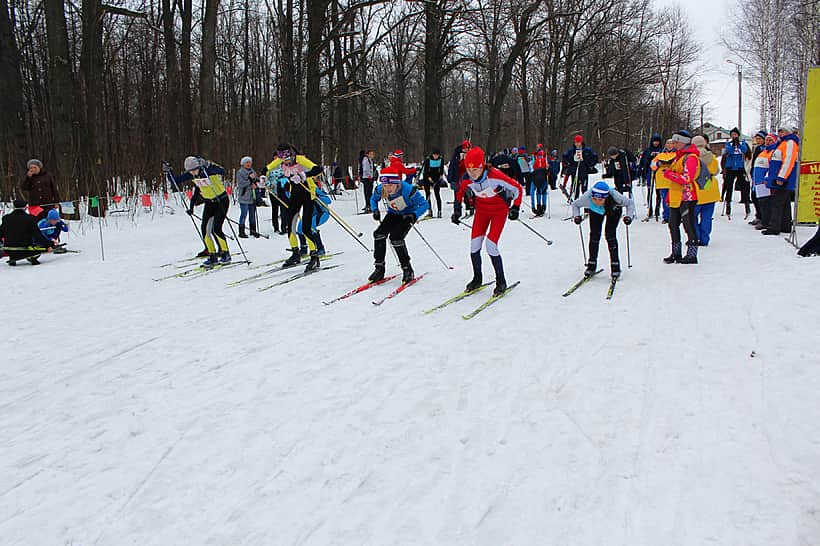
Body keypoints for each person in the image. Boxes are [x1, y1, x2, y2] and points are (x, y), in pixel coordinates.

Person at [451, 146, 523, 296]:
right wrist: (457, 210)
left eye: (475, 170)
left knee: (491, 245)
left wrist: (515, 207)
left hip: (499, 211)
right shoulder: (466, 178)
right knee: (474, 246)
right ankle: (477, 278)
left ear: (482, 166)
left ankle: (501, 281)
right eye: (468, 170)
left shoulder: (495, 175)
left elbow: (517, 188)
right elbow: (459, 193)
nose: (472, 174)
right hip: (482, 212)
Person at [164, 156, 232, 267]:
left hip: (221, 200)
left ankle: (225, 253)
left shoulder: (208, 170)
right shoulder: (193, 175)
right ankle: (212, 255)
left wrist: (210, 166)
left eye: (194, 170)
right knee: (204, 229)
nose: (193, 173)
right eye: (190, 171)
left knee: (216, 228)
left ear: (199, 167)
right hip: (209, 203)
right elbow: (175, 181)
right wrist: (169, 171)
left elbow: (222, 171)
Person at [266, 144, 324, 270]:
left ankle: (314, 256)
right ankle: (295, 253)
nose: (285, 161)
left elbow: (318, 169)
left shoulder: (300, 159)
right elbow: (267, 168)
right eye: (282, 158)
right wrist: (262, 177)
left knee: (306, 227)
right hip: (295, 195)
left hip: (308, 193)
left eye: (287, 157)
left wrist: (304, 175)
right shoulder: (280, 161)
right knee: (290, 225)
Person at [368, 166, 429, 284]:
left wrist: (414, 215)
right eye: (385, 185)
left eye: (390, 185)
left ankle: (407, 269)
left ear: (397, 183)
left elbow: (424, 205)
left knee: (396, 237)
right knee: (379, 234)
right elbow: (373, 199)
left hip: (407, 215)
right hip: (393, 214)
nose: (388, 189)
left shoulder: (408, 190)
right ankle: (379, 268)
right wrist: (375, 210)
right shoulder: (381, 189)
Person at [571, 181, 635, 279]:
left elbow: (630, 203)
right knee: (594, 235)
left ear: (606, 197)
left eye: (600, 199)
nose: (597, 201)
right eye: (594, 199)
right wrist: (576, 216)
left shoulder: (615, 197)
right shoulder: (587, 197)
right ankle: (591, 264)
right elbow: (575, 204)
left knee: (610, 235)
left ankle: (615, 266)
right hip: (595, 211)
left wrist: (629, 217)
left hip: (613, 209)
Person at [659, 130, 700, 264]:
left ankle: (692, 254)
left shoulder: (691, 157)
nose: (674, 144)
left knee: (689, 225)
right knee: (672, 225)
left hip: (687, 197)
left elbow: (687, 178)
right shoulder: (678, 156)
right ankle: (676, 252)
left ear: (683, 142)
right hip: (676, 196)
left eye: (676, 142)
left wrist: (669, 174)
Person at [762, 127, 800, 235]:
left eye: (782, 131)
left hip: (783, 179)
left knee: (777, 203)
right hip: (779, 178)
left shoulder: (790, 143)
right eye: (779, 131)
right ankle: (785, 225)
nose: (779, 133)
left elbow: (789, 160)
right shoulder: (783, 143)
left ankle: (774, 227)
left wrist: (782, 177)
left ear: (788, 132)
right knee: (785, 203)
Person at [0, 199, 54, 265]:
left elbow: (1, 233)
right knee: (37, 246)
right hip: (25, 250)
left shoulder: (6, 218)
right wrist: (48, 245)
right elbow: (38, 236)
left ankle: (12, 257)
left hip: (9, 250)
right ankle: (33, 258)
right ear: (25, 207)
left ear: (14, 207)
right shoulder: (29, 219)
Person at [692, 135, 720, 246]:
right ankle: (705, 239)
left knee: (692, 216)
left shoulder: (693, 157)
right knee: (707, 217)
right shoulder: (712, 157)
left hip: (697, 189)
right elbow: (716, 171)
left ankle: (696, 236)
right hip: (711, 188)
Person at [720, 127, 752, 220]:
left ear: (738, 135)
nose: (734, 136)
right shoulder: (729, 143)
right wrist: (733, 145)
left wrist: (738, 144)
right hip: (730, 167)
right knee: (729, 186)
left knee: (744, 186)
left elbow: (744, 151)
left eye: (735, 135)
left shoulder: (742, 143)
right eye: (732, 135)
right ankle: (728, 205)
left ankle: (746, 204)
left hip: (740, 168)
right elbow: (728, 151)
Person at [751, 133, 777, 231]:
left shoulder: (774, 152)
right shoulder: (764, 151)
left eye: (770, 140)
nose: (767, 142)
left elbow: (773, 167)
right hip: (757, 181)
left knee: (765, 202)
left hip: (765, 182)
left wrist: (767, 178)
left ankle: (766, 222)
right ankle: (763, 219)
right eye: (767, 140)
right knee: (760, 202)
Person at [561, 135, 598, 199]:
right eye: (576, 142)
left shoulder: (587, 150)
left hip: (584, 171)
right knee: (575, 188)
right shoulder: (571, 151)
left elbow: (595, 157)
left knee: (584, 188)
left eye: (578, 142)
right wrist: (568, 163)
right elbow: (565, 157)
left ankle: (585, 201)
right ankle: (575, 200)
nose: (577, 144)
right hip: (574, 172)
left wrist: (591, 164)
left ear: (581, 142)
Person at [649, 139, 676, 222]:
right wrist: (658, 164)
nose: (669, 145)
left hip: (673, 180)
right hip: (662, 181)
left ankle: (675, 216)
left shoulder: (677, 154)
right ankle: (666, 217)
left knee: (674, 199)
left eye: (671, 143)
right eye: (668, 143)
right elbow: (652, 165)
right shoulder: (660, 155)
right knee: (665, 199)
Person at [447, 140, 475, 215]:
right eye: (465, 148)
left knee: (469, 194)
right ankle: (457, 211)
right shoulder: (457, 156)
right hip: (457, 179)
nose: (467, 150)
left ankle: (470, 209)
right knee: (457, 196)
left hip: (467, 179)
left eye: (468, 148)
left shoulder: (471, 155)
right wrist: (450, 178)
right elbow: (452, 167)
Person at [236, 156, 260, 238]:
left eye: (250, 162)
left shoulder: (253, 171)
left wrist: (256, 183)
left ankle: (253, 230)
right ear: (243, 164)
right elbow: (241, 183)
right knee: (244, 214)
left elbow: (255, 180)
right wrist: (250, 181)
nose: (249, 164)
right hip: (244, 196)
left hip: (252, 196)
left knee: (252, 214)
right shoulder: (240, 172)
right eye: (247, 162)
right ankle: (241, 231)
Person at [749, 130, 768, 225]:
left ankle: (763, 217)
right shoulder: (757, 148)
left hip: (763, 177)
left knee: (762, 198)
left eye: (760, 139)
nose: (758, 141)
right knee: (754, 197)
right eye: (757, 139)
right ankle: (758, 215)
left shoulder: (766, 149)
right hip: (755, 175)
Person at [420, 147, 445, 217]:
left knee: (437, 194)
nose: (435, 156)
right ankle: (430, 211)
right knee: (428, 195)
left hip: (436, 177)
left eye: (437, 155)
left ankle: (439, 211)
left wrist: (441, 175)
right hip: (427, 177)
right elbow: (425, 170)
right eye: (434, 155)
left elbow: (442, 168)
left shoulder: (441, 159)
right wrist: (429, 178)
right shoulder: (428, 159)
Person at [530, 144, 549, 216]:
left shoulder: (536, 157)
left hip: (536, 176)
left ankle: (538, 207)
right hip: (541, 176)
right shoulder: (539, 157)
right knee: (541, 191)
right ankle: (542, 207)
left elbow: (532, 167)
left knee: (537, 191)